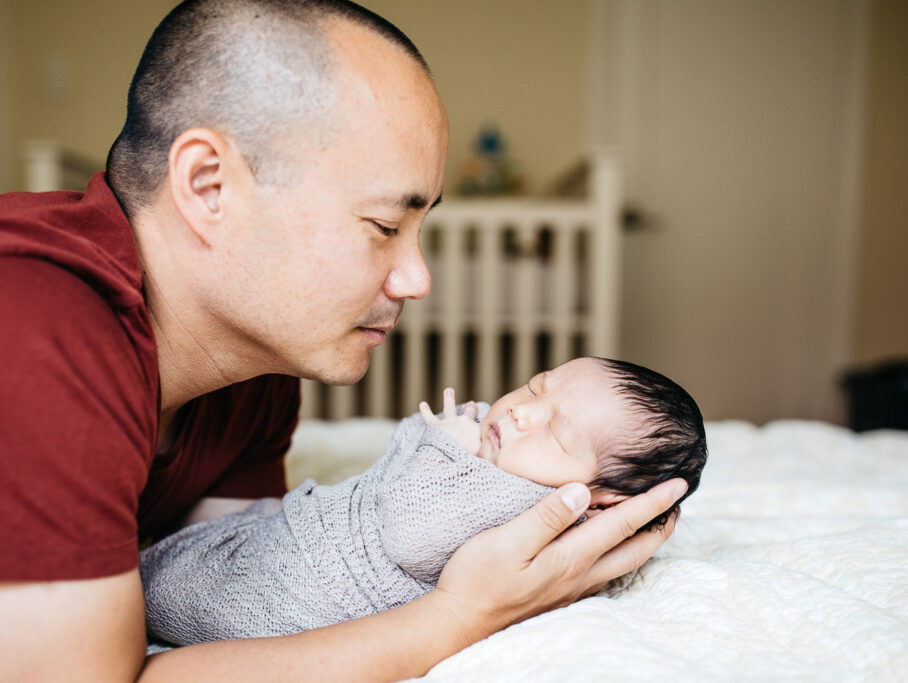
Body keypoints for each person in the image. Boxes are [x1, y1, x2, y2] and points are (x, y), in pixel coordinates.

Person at [0, 1, 687, 680]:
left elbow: (236, 593)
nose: (418, 279)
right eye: (386, 226)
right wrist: (463, 613)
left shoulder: (254, 370)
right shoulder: (38, 324)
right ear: (209, 187)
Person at [140, 357, 707, 645]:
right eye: (537, 386)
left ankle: (148, 580)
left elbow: (409, 532)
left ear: (599, 506)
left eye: (555, 433)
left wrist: (444, 445)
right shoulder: (508, 459)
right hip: (297, 538)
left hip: (288, 598)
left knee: (181, 581)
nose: (521, 411)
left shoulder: (526, 504)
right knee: (223, 540)